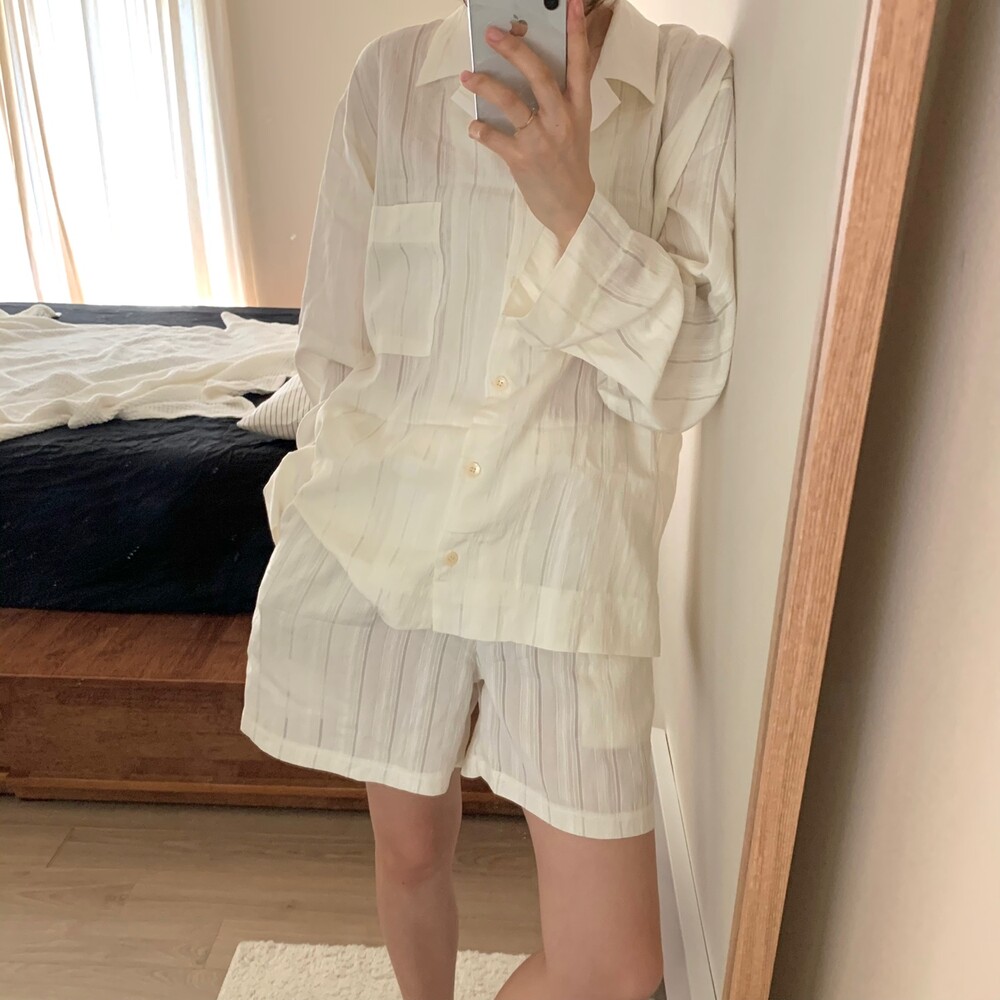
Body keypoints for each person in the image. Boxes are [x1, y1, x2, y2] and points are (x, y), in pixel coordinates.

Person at [240, 0, 735, 996]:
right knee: (410, 852)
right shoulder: (391, 80)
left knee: (614, 968)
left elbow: (686, 375)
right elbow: (333, 345)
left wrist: (573, 209)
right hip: (386, 543)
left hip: (568, 561)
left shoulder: (686, 82)